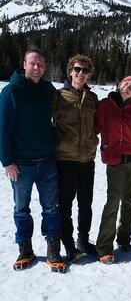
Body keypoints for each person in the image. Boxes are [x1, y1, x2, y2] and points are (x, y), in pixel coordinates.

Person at [0, 47, 67, 273]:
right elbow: (2, 129)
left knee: (50, 208)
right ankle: (25, 249)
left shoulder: (47, 89)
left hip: (47, 160)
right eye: (32, 63)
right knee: (22, 209)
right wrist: (7, 161)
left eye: (40, 64)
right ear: (24, 64)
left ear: (45, 67)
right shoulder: (11, 91)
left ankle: (52, 250)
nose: (36, 68)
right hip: (21, 164)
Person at [95, 75, 131, 264]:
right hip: (115, 161)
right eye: (126, 82)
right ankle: (104, 248)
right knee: (112, 202)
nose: (129, 86)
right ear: (118, 84)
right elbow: (93, 127)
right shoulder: (104, 105)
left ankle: (124, 239)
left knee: (128, 202)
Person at [53, 55, 98, 262]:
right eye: (78, 69)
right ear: (70, 70)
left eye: (85, 71)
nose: (81, 74)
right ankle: (69, 245)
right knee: (65, 205)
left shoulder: (92, 98)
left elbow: (97, 125)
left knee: (86, 204)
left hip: (87, 160)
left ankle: (83, 240)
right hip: (66, 159)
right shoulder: (58, 96)